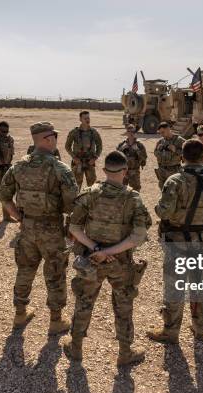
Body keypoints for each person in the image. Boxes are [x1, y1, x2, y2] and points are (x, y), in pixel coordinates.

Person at [62, 151, 151, 366]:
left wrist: (96, 248)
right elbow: (139, 235)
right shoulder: (133, 198)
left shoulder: (90, 193)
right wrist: (110, 252)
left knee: (84, 301)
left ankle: (76, 348)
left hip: (92, 258)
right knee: (123, 304)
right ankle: (125, 352)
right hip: (120, 262)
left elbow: (74, 227)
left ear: (103, 171)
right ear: (125, 172)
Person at [146, 139, 203, 344]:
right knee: (201, 285)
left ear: (182, 157)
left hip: (177, 243)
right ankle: (200, 328)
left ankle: (170, 331)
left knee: (175, 287)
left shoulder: (175, 181)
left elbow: (164, 211)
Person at [0, 122, 79, 333]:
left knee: (25, 270)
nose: (56, 140)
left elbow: (4, 196)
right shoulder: (60, 168)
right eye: (54, 136)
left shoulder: (18, 166)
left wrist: (19, 216)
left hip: (27, 228)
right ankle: (55, 320)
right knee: (55, 273)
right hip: (52, 228)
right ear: (47, 139)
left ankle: (20, 314)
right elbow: (73, 205)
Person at [65, 111, 103, 188]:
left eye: (88, 118)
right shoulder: (74, 132)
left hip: (90, 162)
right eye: (85, 118)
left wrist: (95, 158)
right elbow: (67, 146)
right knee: (76, 185)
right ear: (80, 119)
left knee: (92, 185)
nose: (87, 120)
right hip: (78, 162)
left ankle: (90, 200)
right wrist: (74, 157)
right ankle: (77, 199)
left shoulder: (94, 132)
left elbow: (100, 146)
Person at [116, 124, 147, 191]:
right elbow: (116, 158)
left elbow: (143, 162)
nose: (131, 133)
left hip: (134, 172)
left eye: (133, 132)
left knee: (135, 193)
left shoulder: (140, 145)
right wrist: (121, 149)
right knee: (121, 192)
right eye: (129, 131)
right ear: (126, 133)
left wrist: (137, 151)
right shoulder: (121, 144)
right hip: (123, 172)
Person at [153, 122, 185, 189]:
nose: (161, 135)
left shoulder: (179, 140)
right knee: (163, 190)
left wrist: (175, 150)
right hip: (162, 171)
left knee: (174, 191)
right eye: (160, 133)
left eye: (163, 132)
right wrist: (158, 150)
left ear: (168, 129)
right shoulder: (160, 141)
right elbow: (155, 153)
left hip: (174, 171)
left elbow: (187, 153)